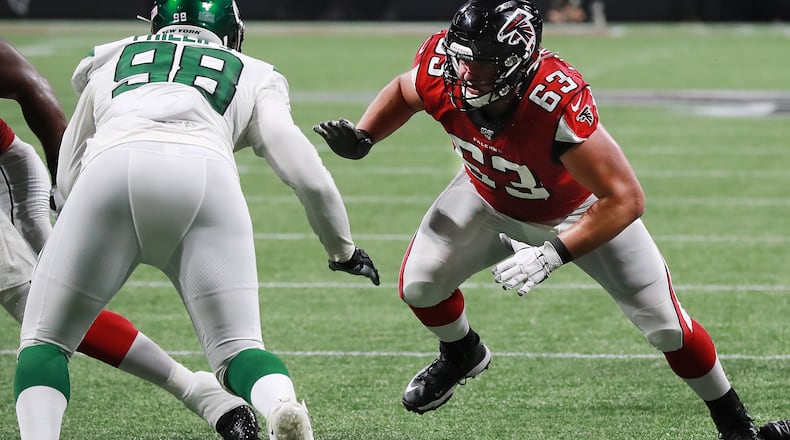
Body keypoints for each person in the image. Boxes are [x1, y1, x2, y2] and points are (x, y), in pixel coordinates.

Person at [313, 1, 787, 439]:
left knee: (666, 327)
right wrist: (366, 135)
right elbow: (406, 87)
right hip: (485, 196)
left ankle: (736, 427)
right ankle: (462, 353)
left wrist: (554, 253)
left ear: (517, 61)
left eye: (482, 62)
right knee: (419, 285)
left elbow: (625, 199)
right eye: (462, 58)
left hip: (575, 213)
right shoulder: (446, 70)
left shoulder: (552, 101)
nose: (465, 72)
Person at [12, 1, 380, 439]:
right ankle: (280, 403)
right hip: (207, 177)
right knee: (238, 352)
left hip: (110, 168)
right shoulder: (254, 71)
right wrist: (343, 250)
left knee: (44, 344)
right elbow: (307, 175)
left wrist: (82, 222)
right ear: (231, 32)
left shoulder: (113, 57)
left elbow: (70, 172)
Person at [0, 38, 263, 439]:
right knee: (45, 310)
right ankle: (201, 392)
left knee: (37, 307)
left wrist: (65, 185)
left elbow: (29, 84)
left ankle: (198, 392)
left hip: (12, 167)